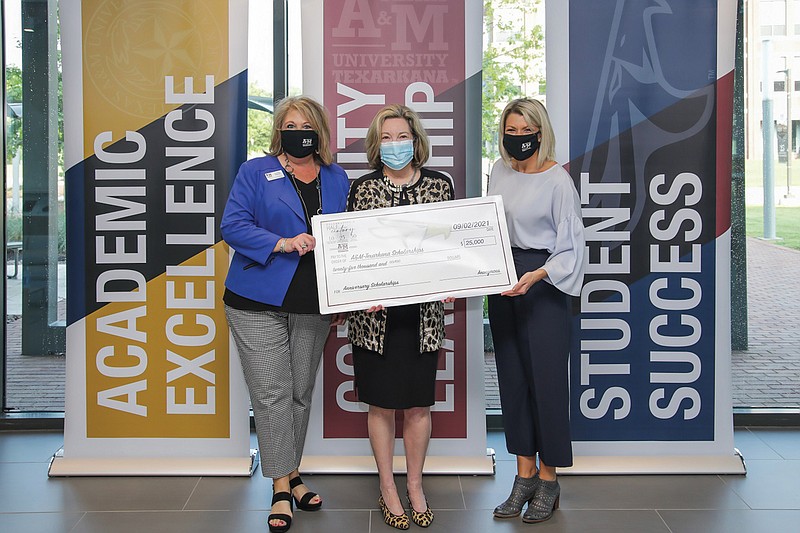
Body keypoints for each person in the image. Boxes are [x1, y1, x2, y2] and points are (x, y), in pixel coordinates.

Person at [221, 95, 350, 533]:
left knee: (299, 390)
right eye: (291, 124)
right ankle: (280, 487)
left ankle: (291, 472)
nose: (300, 131)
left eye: (307, 124)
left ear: (320, 131)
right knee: (273, 392)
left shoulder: (336, 176)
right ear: (280, 130)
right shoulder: (255, 171)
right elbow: (232, 226)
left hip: (313, 303)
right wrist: (281, 243)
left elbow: (346, 238)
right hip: (256, 299)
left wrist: (344, 296)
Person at [347, 104, 454, 530]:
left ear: (416, 140)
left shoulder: (440, 186)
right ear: (377, 144)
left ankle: (414, 485)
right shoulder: (362, 188)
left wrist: (451, 276)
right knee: (380, 405)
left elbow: (451, 247)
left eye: (402, 136)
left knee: (417, 405)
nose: (395, 144)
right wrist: (361, 293)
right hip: (376, 319)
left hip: (423, 317)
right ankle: (387, 486)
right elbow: (352, 253)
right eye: (386, 138)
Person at [487, 98, 585, 524]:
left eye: (527, 131)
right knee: (513, 380)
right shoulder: (498, 170)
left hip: (544, 280)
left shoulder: (558, 180)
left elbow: (572, 244)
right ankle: (523, 474)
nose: (519, 139)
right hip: (503, 276)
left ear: (541, 133)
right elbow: (487, 226)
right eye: (512, 131)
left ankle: (548, 479)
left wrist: (539, 274)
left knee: (546, 384)